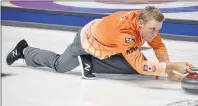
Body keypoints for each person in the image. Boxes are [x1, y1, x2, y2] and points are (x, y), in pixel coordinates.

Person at [6, 6, 194, 81]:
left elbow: (158, 46)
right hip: (87, 42)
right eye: (153, 30)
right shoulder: (125, 32)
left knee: (138, 65)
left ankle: (91, 61)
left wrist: (167, 68)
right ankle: (25, 50)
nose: (156, 34)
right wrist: (168, 67)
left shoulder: (147, 21)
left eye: (158, 30)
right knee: (60, 65)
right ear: (141, 24)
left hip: (108, 43)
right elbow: (142, 66)